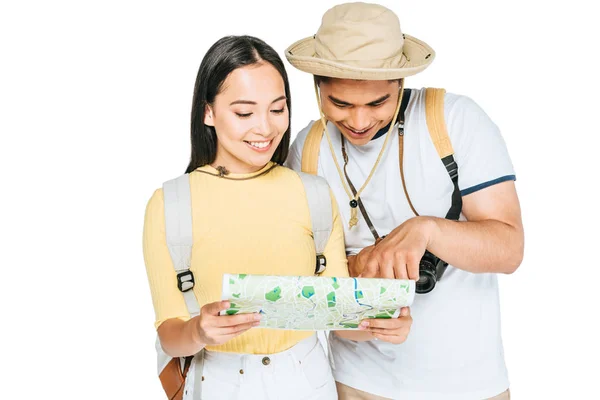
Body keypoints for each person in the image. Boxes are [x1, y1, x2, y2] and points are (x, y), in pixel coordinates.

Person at [142, 35, 409, 400]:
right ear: (208, 112)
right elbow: (169, 335)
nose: (265, 129)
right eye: (244, 113)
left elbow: (338, 318)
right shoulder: (169, 203)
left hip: (307, 378)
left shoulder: (313, 193)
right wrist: (199, 332)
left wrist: (379, 323)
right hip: (217, 382)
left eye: (277, 109)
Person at [284, 3, 524, 400]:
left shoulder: (456, 120)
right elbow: (299, 278)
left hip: (471, 386)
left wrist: (425, 230)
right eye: (340, 103)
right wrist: (362, 277)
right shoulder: (307, 149)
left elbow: (509, 249)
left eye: (378, 103)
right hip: (356, 384)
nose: (359, 122)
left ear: (400, 81)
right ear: (317, 86)